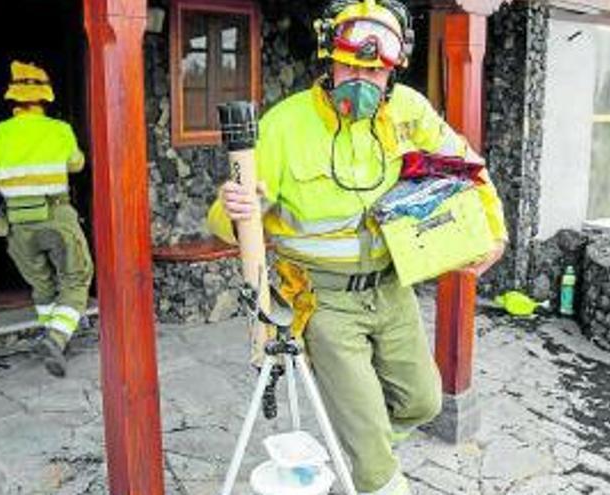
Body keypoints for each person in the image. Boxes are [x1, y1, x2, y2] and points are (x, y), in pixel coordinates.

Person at [207, 1, 509, 493]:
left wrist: (495, 231)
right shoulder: (285, 125)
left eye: (375, 71)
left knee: (423, 403)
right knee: (373, 456)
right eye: (350, 65)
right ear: (328, 59)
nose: (361, 79)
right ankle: (370, 467)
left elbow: (465, 164)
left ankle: (353, 458)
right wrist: (236, 206)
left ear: (392, 71)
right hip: (322, 300)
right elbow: (226, 225)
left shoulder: (408, 112)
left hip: (392, 288)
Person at [0, 61, 94, 378]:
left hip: (18, 221)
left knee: (41, 283)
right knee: (76, 277)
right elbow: (76, 164)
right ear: (44, 97)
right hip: (56, 215)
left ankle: (51, 336)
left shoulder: (0, 132)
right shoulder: (59, 130)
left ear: (13, 98)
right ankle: (57, 338)